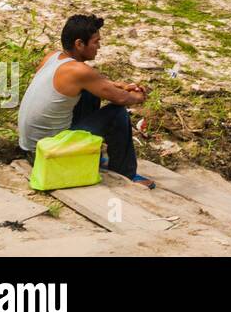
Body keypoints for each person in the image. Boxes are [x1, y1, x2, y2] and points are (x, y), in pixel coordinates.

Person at [17, 15, 153, 186]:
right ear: (79, 44)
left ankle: (91, 155)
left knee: (90, 93)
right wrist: (139, 96)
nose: (99, 47)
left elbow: (99, 84)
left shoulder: (53, 57)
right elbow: (121, 98)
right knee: (117, 113)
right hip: (48, 153)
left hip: (30, 148)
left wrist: (119, 85)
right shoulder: (80, 72)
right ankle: (125, 173)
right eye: (96, 42)